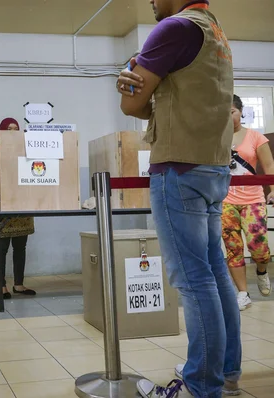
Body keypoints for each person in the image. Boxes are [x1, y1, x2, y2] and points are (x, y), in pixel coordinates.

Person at [117, 0, 241, 396]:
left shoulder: (172, 28)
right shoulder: (215, 32)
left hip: (178, 169)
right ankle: (224, 369)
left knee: (193, 280)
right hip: (214, 167)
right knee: (214, 272)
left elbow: (132, 104)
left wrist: (131, 86)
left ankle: (201, 384)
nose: (150, 0)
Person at [223, 95, 274, 310]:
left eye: (232, 112)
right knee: (233, 249)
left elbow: (269, 165)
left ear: (240, 112)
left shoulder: (255, 137)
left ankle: (262, 271)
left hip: (252, 200)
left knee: (258, 247)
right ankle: (243, 293)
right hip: (226, 201)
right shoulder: (216, 138)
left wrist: (273, 190)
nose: (228, 116)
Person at [0, 118, 36, 299]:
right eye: (9, 129)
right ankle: (1, 286)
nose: (12, 131)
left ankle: (19, 284)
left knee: (21, 247)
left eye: (16, 129)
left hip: (23, 204)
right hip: (3, 205)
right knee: (1, 247)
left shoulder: (26, 150)